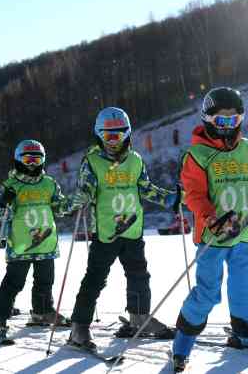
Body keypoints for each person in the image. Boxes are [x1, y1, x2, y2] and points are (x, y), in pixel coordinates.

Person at [171, 87, 248, 372]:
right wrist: (211, 219)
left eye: (234, 120)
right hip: (215, 237)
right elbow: (194, 195)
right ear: (208, 119)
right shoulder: (197, 155)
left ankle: (247, 331)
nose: (228, 127)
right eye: (222, 121)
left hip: (244, 235)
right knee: (208, 292)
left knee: (246, 287)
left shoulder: (246, 148)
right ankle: (183, 341)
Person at [65, 107, 181, 352]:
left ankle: (139, 317)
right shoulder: (92, 161)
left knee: (139, 275)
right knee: (95, 279)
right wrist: (79, 200)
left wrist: (171, 199)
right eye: (108, 136)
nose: (113, 142)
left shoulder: (135, 160)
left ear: (127, 135)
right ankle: (79, 326)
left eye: (118, 135)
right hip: (106, 232)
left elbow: (145, 187)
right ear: (99, 136)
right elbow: (84, 188)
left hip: (133, 231)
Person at [0, 140, 70, 341]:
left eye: (37, 159)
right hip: (21, 244)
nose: (32, 164)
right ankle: (1, 318)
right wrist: (3, 202)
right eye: (28, 160)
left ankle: (42, 311)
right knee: (14, 282)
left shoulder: (49, 183)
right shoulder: (11, 185)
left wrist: (75, 205)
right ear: (19, 160)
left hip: (46, 243)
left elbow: (60, 207)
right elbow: (1, 215)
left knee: (45, 281)